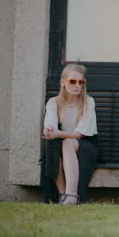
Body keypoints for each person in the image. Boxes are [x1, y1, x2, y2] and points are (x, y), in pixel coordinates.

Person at [40, 63, 98, 205]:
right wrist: (49, 131)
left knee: (67, 142)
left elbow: (80, 134)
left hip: (87, 144)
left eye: (81, 82)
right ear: (63, 82)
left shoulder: (88, 102)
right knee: (52, 145)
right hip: (64, 142)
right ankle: (62, 195)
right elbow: (51, 124)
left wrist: (58, 133)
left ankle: (72, 195)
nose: (77, 85)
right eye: (73, 81)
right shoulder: (54, 102)